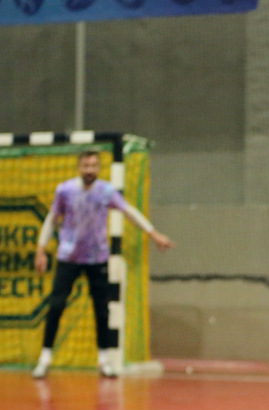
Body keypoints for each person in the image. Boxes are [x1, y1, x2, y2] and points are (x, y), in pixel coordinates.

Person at [32, 150, 173, 379]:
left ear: (98, 168)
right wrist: (41, 249)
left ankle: (104, 360)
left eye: (94, 166)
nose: (90, 170)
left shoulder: (106, 191)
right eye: (86, 165)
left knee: (102, 310)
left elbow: (129, 211)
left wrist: (153, 233)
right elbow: (52, 219)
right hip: (68, 257)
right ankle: (45, 358)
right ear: (79, 167)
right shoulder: (65, 190)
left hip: (97, 258)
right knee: (56, 305)